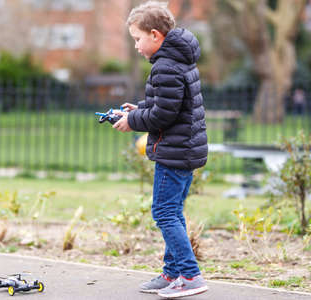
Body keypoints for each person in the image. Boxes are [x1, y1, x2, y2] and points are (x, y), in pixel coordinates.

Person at [112, 1, 208, 298]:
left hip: (174, 152)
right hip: (183, 148)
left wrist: (133, 121)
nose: (137, 46)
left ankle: (190, 276)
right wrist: (138, 108)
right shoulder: (177, 60)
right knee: (172, 212)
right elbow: (171, 107)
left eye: (138, 39)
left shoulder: (165, 66)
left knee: (164, 212)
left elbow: (163, 116)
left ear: (155, 35)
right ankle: (172, 272)